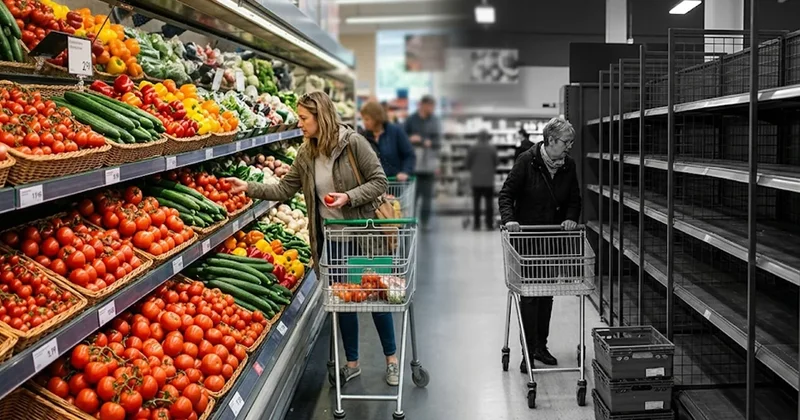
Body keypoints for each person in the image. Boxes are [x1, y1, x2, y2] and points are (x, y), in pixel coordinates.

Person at [224, 92, 401, 386]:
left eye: (304, 118)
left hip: (363, 236)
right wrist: (247, 187)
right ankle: (352, 362)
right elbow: (283, 190)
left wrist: (348, 197)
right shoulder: (306, 154)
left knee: (376, 299)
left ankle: (391, 360)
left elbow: (379, 181)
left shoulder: (353, 143)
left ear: (321, 117)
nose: (300, 123)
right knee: (342, 302)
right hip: (331, 240)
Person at [498, 117, 581, 370]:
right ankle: (527, 350)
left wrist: (570, 218)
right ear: (551, 140)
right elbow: (506, 194)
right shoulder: (527, 161)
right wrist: (510, 220)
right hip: (528, 241)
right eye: (566, 142)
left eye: (571, 142)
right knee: (530, 297)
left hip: (552, 240)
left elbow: (574, 200)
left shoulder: (569, 166)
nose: (569, 147)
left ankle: (540, 347)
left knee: (546, 296)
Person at [404, 95, 441, 230]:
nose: (432, 109)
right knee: (412, 196)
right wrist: (410, 138)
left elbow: (439, 142)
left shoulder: (435, 121)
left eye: (433, 106)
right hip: (413, 166)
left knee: (427, 198)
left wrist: (429, 142)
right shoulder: (411, 120)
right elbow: (402, 138)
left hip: (428, 165)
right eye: (430, 106)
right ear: (423, 105)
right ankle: (411, 222)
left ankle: (424, 223)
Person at [360, 101, 416, 180]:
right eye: (363, 119)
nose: (364, 122)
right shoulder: (363, 136)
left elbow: (409, 154)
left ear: (376, 118)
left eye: (367, 119)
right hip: (373, 184)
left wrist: (405, 171)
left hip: (395, 182)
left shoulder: (395, 132)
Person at [466, 130, 498, 230]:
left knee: (476, 203)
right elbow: (496, 162)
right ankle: (489, 225)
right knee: (489, 203)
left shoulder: (473, 148)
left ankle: (477, 224)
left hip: (476, 180)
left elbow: (467, 163)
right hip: (488, 180)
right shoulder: (492, 148)